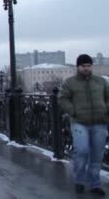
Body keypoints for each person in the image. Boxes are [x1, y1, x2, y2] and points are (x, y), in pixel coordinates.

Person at [59, 54, 109, 196]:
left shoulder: (101, 81)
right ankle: (80, 180)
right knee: (81, 151)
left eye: (88, 66)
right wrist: (73, 111)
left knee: (97, 155)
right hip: (80, 123)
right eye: (83, 66)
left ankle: (95, 183)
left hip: (100, 122)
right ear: (78, 67)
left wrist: (107, 112)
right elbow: (62, 99)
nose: (86, 68)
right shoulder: (70, 82)